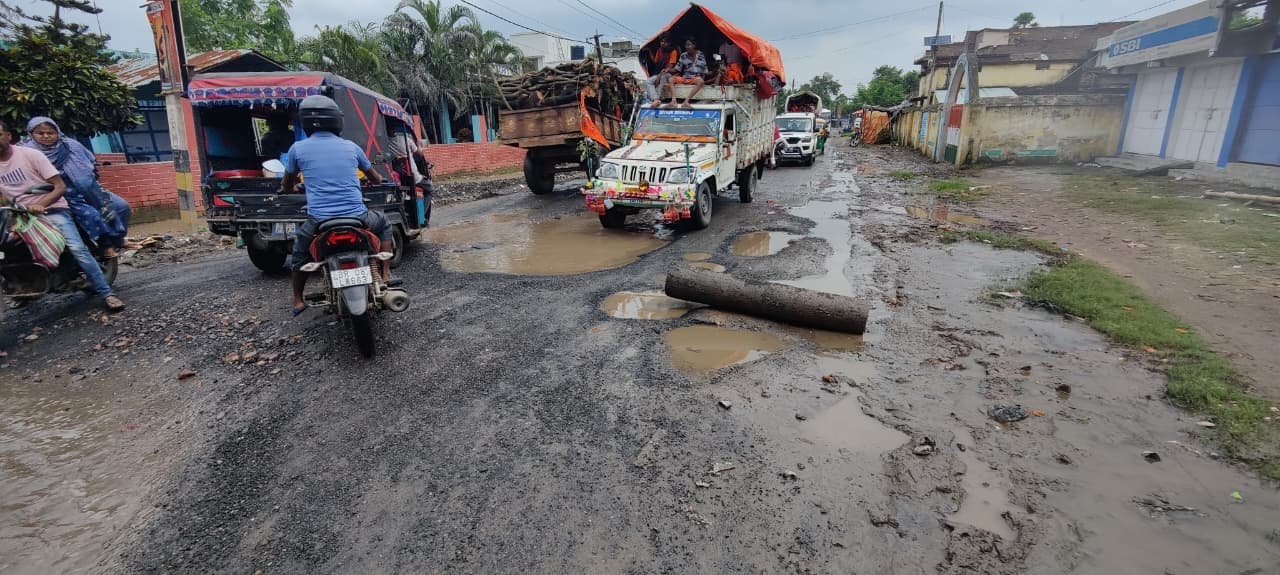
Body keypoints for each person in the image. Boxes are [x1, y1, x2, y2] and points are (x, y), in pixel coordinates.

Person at [281, 95, 391, 316]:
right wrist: (373, 180)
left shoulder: (297, 149)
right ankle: (386, 273)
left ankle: (298, 300)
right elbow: (377, 178)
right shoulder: (351, 147)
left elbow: (287, 182)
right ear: (336, 121)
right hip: (357, 216)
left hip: (320, 221)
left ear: (305, 122)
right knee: (384, 222)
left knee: (300, 254)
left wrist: (288, 189)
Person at [0, 119, 125, 312]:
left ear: (8, 136)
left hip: (52, 208)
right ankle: (22, 286)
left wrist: (40, 204)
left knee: (78, 249)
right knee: (8, 249)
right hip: (18, 214)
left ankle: (106, 293)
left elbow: (60, 186)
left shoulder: (31, 155)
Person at [21, 117, 136, 258]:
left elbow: (90, 165)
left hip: (87, 189)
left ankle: (118, 239)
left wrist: (89, 184)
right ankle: (105, 245)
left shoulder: (70, 146)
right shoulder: (25, 152)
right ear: (31, 133)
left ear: (57, 132)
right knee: (91, 214)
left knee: (121, 206)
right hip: (55, 192)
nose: (46, 136)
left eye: (50, 133)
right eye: (40, 133)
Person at [660, 38, 708, 108]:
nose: (687, 47)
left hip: (695, 79)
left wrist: (704, 79)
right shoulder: (683, 55)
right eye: (686, 45)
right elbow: (677, 69)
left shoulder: (700, 54)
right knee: (671, 79)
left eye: (689, 45)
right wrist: (668, 70)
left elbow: (704, 69)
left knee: (701, 81)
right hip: (685, 78)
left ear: (694, 46)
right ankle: (673, 101)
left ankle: (686, 102)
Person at [643, 35, 678, 104]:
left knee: (663, 77)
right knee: (649, 81)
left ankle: (658, 98)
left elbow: (669, 67)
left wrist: (660, 75)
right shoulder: (659, 50)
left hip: (669, 74)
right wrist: (649, 51)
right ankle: (655, 99)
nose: (662, 43)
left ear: (669, 43)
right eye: (661, 41)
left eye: (665, 42)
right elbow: (656, 61)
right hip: (659, 73)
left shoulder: (673, 51)